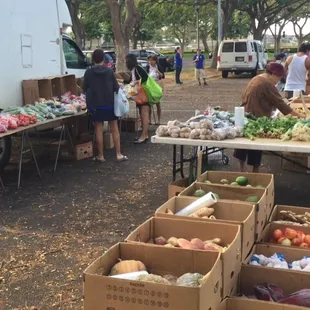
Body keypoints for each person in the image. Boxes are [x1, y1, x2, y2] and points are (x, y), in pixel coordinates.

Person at [234, 62, 304, 173]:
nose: (278, 81)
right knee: (256, 146)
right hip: (257, 117)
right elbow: (281, 105)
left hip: (245, 115)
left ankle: (242, 169)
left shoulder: (257, 78)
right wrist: (302, 117)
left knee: (242, 144)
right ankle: (255, 172)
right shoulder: (267, 84)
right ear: (273, 74)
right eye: (279, 77)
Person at [83, 49, 128, 163]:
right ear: (103, 58)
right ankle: (118, 154)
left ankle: (101, 155)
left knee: (98, 128)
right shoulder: (109, 71)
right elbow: (116, 88)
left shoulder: (89, 72)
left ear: (93, 59)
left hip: (96, 105)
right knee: (114, 128)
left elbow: (84, 88)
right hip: (109, 104)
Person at [125, 53, 150, 144]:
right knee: (142, 114)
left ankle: (144, 136)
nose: (125, 62)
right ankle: (144, 134)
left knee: (144, 115)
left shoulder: (138, 68)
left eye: (126, 60)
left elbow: (145, 78)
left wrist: (135, 83)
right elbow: (129, 81)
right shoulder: (133, 70)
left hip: (143, 95)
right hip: (140, 96)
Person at [146, 55, 165, 125]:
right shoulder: (148, 67)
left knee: (158, 103)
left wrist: (158, 72)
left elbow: (162, 76)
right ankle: (149, 120)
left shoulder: (159, 67)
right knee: (149, 104)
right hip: (150, 86)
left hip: (157, 85)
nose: (150, 62)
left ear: (155, 61)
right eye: (149, 60)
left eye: (152, 60)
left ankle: (158, 120)